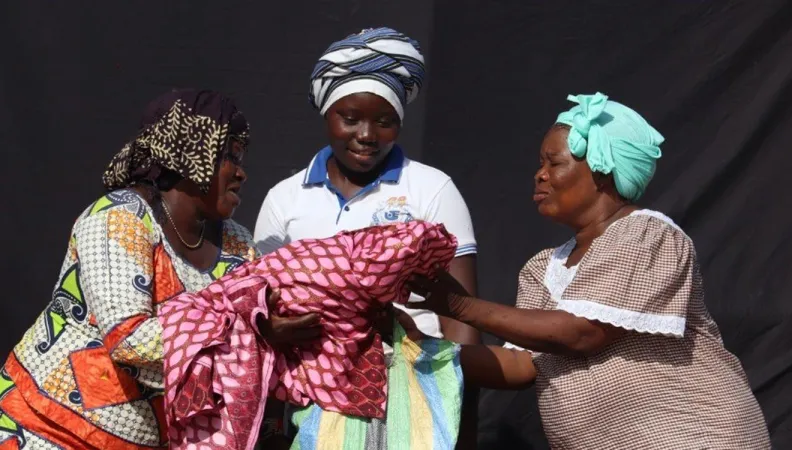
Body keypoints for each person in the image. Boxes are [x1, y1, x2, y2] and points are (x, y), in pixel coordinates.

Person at [407, 93, 772, 449]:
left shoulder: (647, 234)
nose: (539, 175)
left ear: (601, 171)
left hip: (694, 438)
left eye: (554, 163)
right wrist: (412, 349)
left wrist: (458, 305)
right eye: (540, 163)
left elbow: (583, 332)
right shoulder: (541, 269)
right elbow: (519, 365)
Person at [0, 89, 319, 449]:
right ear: (192, 154)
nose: (242, 173)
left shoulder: (237, 244)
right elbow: (130, 341)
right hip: (41, 430)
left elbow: (264, 326)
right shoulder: (118, 219)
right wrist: (255, 335)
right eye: (230, 157)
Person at [254, 27, 480, 448]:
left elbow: (463, 314)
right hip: (315, 391)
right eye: (350, 118)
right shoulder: (285, 200)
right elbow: (258, 307)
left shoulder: (431, 189)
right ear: (326, 115)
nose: (367, 135)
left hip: (416, 386)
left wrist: (457, 413)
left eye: (384, 121)